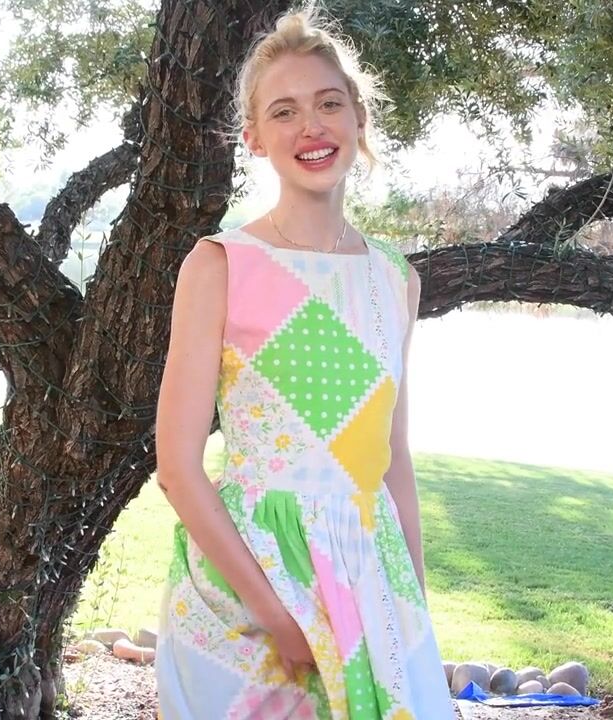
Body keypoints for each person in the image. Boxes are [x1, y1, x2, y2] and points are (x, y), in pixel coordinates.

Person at [153, 5, 457, 719]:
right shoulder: (221, 264)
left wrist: (411, 604)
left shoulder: (396, 279)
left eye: (329, 103)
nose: (311, 127)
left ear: (359, 118)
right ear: (254, 138)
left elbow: (392, 460)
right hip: (251, 587)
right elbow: (177, 467)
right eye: (283, 112)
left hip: (368, 579)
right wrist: (277, 616)